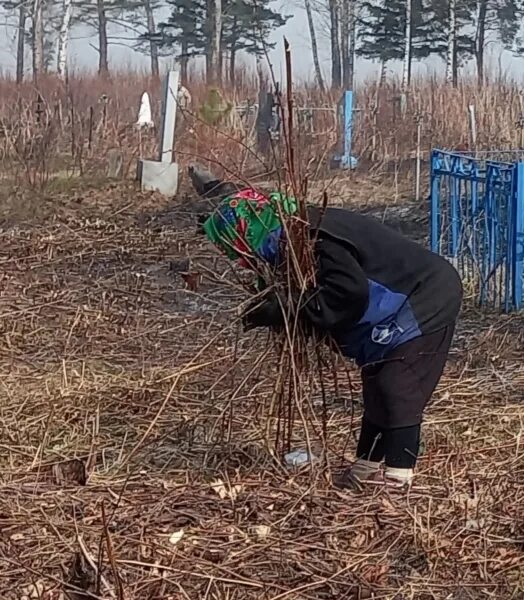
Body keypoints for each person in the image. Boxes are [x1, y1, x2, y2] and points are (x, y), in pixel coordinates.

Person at [198, 181, 463, 490]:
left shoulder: (313, 236)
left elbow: (347, 294)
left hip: (425, 294)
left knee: (397, 385)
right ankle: (366, 467)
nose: (242, 260)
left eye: (239, 250)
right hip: (397, 302)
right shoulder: (296, 236)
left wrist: (289, 307)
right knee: (377, 382)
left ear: (250, 231)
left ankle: (399, 476)